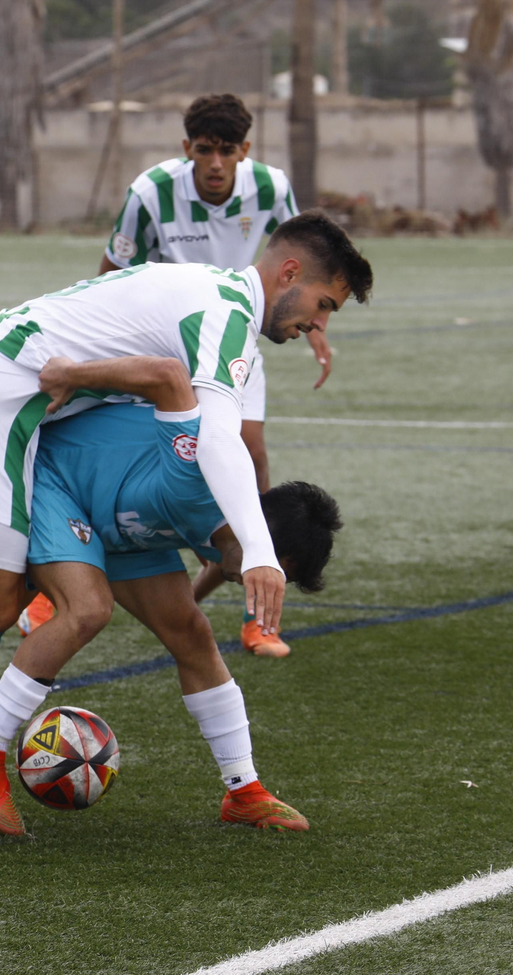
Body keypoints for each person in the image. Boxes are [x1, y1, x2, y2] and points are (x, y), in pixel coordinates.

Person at [0, 211, 372, 786]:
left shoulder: (213, 295)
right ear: (289, 273)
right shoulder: (226, 315)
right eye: (323, 306)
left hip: (10, 396)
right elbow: (216, 435)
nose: (318, 325)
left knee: (19, 582)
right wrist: (261, 552)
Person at [0, 354, 342, 835]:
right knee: (86, 610)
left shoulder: (235, 526)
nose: (261, 582)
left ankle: (244, 791)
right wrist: (73, 374)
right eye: (270, 571)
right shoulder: (197, 475)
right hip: (54, 478)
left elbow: (218, 560)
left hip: (126, 524)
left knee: (191, 633)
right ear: (262, 542)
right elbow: (167, 379)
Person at [20, 94, 336, 657]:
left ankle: (256, 608)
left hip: (239, 334)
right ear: (187, 148)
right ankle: (56, 577)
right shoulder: (149, 192)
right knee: (136, 460)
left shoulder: (271, 188)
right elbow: (113, 271)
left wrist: (315, 327)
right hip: (167, 343)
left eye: (229, 152)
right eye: (206, 151)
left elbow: (303, 266)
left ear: (246, 151)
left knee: (249, 457)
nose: (216, 164)